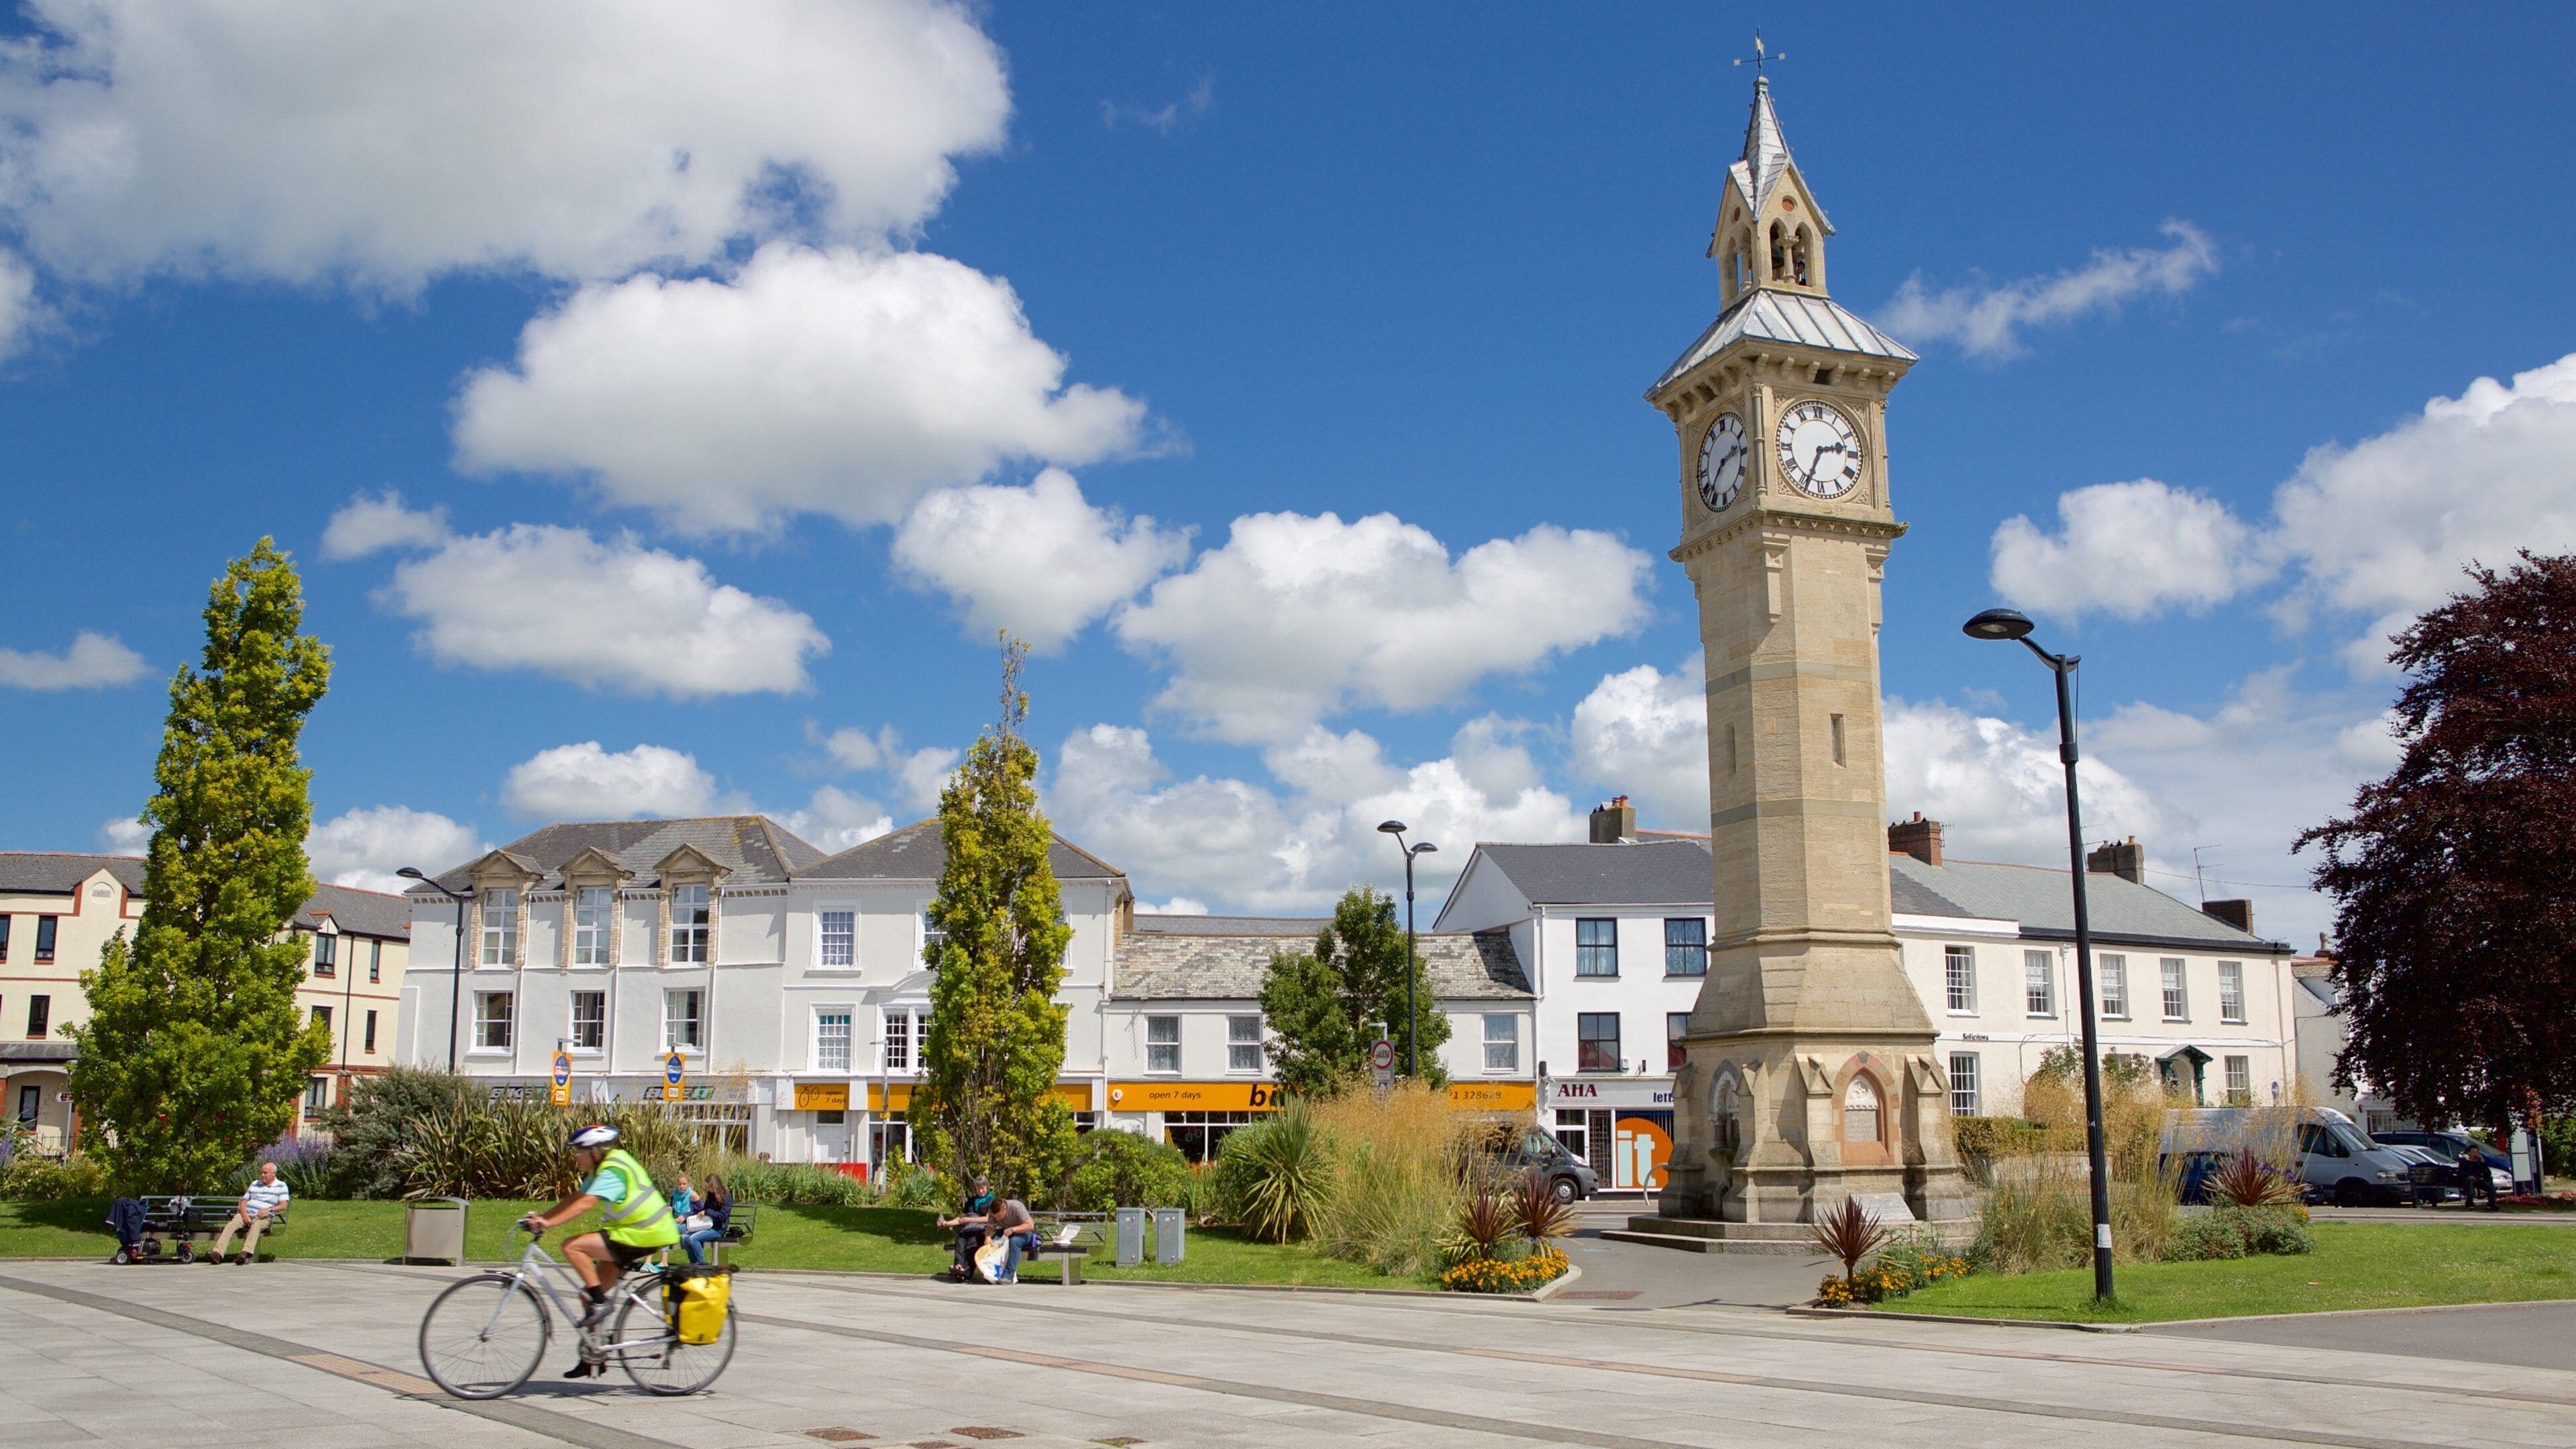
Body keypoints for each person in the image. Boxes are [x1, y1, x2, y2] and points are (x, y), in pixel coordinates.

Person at [518, 1125, 680, 1379]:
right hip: (631, 1232)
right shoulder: (601, 1168)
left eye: (578, 1151)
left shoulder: (613, 1169)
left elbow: (587, 1203)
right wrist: (543, 1218)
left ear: (595, 1151)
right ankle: (593, 1357)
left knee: (572, 1246)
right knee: (587, 1297)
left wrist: (548, 1224)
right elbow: (576, 1197)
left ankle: (601, 1304)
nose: (575, 1157)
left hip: (644, 1233)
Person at [212, 1161, 289, 1265]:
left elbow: (283, 1205)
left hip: (263, 1216)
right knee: (231, 1225)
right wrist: (244, 1215)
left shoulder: (281, 1186)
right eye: (261, 1173)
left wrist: (269, 1210)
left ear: (274, 1173)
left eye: (265, 1173)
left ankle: (245, 1253)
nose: (262, 1175)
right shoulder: (255, 1184)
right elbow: (244, 1202)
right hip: (246, 1214)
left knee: (256, 1225)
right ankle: (217, 1254)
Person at [936, 1175, 998, 1282]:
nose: (981, 1191)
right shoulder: (971, 1201)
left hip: (983, 1230)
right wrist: (946, 1223)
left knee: (972, 1243)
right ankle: (959, 1267)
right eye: (978, 1188)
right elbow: (961, 1218)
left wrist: (970, 1220)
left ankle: (965, 1273)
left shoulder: (992, 1201)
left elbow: (990, 1219)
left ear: (987, 1187)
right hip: (968, 1229)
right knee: (960, 1241)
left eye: (983, 1188)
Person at [680, 1173, 731, 1265]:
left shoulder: (726, 1197)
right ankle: (694, 1263)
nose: (707, 1189)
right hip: (706, 1225)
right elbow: (705, 1208)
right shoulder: (711, 1195)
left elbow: (722, 1217)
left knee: (693, 1238)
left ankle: (702, 1264)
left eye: (709, 1187)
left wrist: (707, 1212)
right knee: (685, 1238)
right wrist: (702, 1212)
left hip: (718, 1228)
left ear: (714, 1186)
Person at [989, 1195, 1038, 1285]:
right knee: (993, 1242)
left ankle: (1008, 1276)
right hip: (1006, 1230)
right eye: (995, 1217)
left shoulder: (1017, 1207)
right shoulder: (993, 1211)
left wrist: (1013, 1230)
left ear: (1004, 1209)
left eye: (999, 1217)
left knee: (1015, 1241)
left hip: (1025, 1232)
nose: (997, 1219)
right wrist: (987, 1237)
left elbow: (1030, 1225)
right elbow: (990, 1227)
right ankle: (991, 1273)